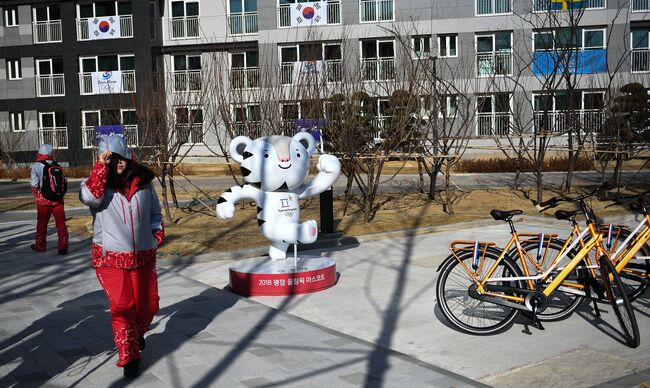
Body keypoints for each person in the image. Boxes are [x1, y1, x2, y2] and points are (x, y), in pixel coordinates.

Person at [79, 135, 163, 378]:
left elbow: (155, 212)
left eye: (119, 157)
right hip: (111, 258)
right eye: (110, 158)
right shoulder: (98, 185)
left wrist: (156, 234)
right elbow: (90, 197)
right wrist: (100, 167)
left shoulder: (144, 182)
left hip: (143, 256)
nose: (116, 162)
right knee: (123, 306)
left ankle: (136, 336)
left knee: (149, 304)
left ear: (128, 156)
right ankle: (130, 356)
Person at [31, 144, 68, 254]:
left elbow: (34, 184)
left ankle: (40, 245)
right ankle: (63, 247)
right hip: (58, 200)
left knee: (42, 224)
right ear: (51, 154)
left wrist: (37, 196)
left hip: (43, 200)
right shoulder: (58, 165)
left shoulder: (36, 165)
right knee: (61, 224)